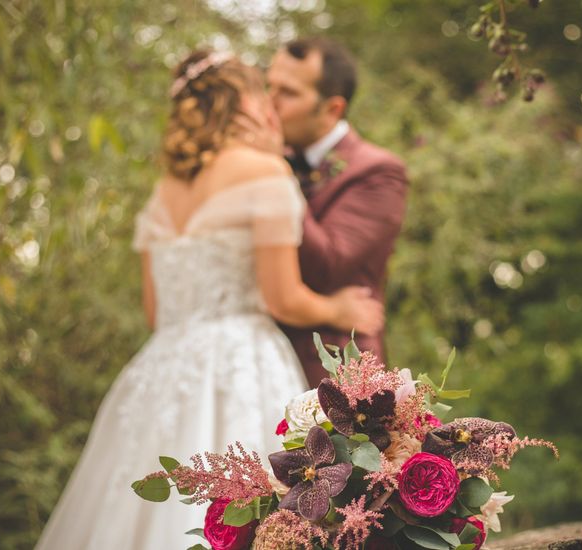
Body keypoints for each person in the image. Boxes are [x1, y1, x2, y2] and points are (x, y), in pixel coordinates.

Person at [35, 50, 384, 550]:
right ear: (244, 99)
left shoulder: (164, 191)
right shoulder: (263, 170)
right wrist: (339, 310)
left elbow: (156, 314)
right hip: (242, 360)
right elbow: (282, 298)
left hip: (159, 369)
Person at [240, 38, 408, 387]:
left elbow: (328, 265)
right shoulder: (257, 163)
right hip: (248, 366)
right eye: (269, 86)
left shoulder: (379, 172)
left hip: (332, 374)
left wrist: (276, 172)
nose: (270, 103)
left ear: (332, 109)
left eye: (288, 93)